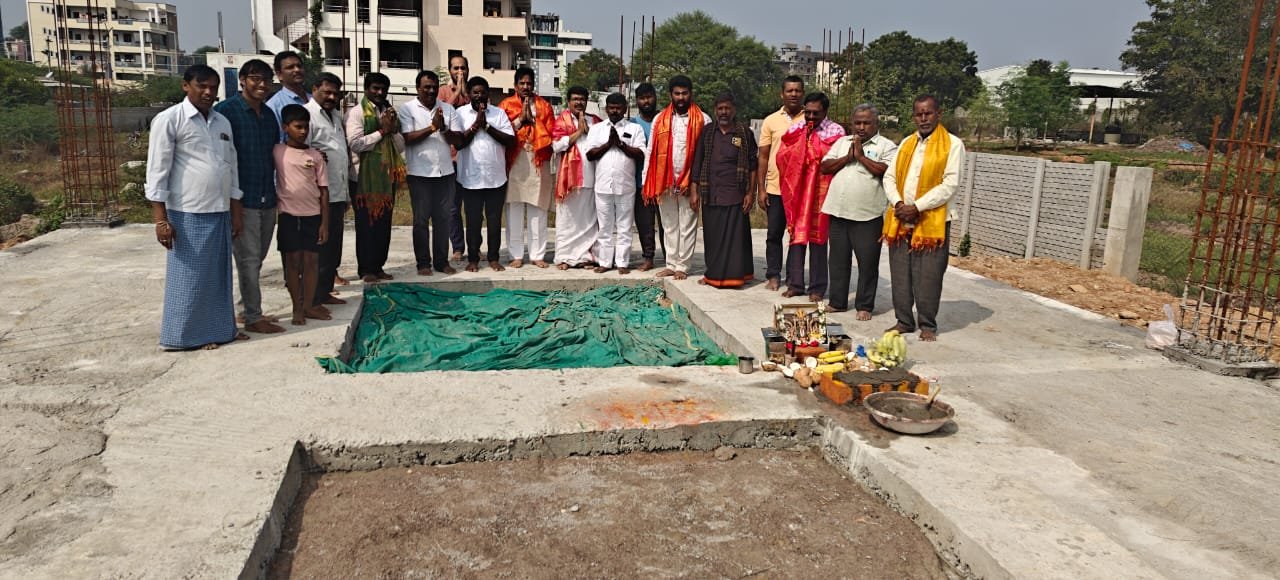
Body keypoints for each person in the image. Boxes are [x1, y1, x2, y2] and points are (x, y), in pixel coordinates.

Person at [146, 64, 248, 350]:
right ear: (185, 86)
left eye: (213, 87)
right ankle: (184, 337)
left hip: (220, 210)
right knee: (189, 277)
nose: (208, 92)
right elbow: (157, 170)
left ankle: (220, 331)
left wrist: (236, 210)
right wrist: (160, 219)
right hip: (187, 211)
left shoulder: (221, 122)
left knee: (217, 276)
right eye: (202, 86)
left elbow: (231, 166)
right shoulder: (170, 119)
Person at [882, 95, 966, 342]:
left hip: (932, 220)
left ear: (939, 114)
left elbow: (950, 184)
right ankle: (903, 321)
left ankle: (927, 324)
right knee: (900, 273)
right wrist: (899, 204)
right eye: (919, 114)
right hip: (901, 218)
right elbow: (889, 177)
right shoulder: (907, 143)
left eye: (928, 113)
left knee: (929, 274)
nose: (923, 118)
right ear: (913, 117)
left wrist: (917, 207)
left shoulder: (953, 145)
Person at [213, 59, 284, 335]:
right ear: (242, 80)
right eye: (255, 78)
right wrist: (233, 204)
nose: (262, 84)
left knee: (257, 257)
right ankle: (254, 316)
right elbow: (221, 160)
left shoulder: (268, 115)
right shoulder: (225, 112)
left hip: (267, 196)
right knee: (249, 259)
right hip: (241, 199)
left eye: (266, 79)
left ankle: (245, 309)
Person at [821, 104, 897, 319]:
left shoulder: (887, 146)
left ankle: (864, 306)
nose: (861, 127)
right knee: (837, 261)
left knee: (867, 263)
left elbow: (886, 171)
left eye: (866, 123)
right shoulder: (842, 142)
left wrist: (861, 157)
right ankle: (837, 302)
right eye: (857, 123)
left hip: (867, 216)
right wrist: (848, 157)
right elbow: (824, 167)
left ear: (876, 123)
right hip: (838, 211)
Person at [777, 92, 846, 302]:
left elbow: (836, 160)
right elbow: (783, 155)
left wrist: (812, 148)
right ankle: (795, 284)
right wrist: (800, 148)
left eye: (816, 113)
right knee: (796, 237)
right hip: (799, 191)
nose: (811, 117)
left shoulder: (836, 132)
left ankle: (817, 288)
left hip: (821, 192)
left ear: (825, 112)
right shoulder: (797, 128)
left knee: (818, 239)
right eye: (808, 113)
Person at [642, 75, 710, 280]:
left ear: (691, 94)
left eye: (684, 93)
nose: (681, 97)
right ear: (671, 94)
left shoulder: (703, 119)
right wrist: (646, 181)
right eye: (677, 93)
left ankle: (683, 266)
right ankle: (671, 263)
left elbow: (706, 155)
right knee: (669, 224)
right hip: (664, 181)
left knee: (687, 224)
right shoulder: (660, 119)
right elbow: (650, 150)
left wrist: (698, 183)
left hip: (691, 181)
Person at [688, 93, 758, 288]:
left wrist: (750, 193)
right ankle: (712, 275)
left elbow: (753, 166)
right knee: (712, 238)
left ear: (734, 110)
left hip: (736, 194)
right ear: (715, 110)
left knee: (735, 240)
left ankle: (735, 278)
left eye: (727, 108)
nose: (724, 112)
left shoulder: (744, 133)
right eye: (720, 109)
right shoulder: (707, 132)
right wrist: (694, 191)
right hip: (711, 193)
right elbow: (698, 162)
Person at [451, 76, 516, 272]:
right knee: (473, 222)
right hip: (470, 179)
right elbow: (459, 143)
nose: (479, 96)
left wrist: (487, 126)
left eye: (483, 92)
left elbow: (510, 140)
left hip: (495, 178)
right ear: (469, 94)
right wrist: (475, 126)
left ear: (488, 94)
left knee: (494, 221)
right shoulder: (460, 114)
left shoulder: (498, 113)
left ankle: (494, 258)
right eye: (475, 92)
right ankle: (473, 259)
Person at [398, 69, 459, 276]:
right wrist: (432, 128)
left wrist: (443, 129)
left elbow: (458, 140)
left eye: (434, 87)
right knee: (421, 221)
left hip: (445, 173)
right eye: (427, 88)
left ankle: (441, 262)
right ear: (418, 88)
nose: (431, 91)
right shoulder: (407, 109)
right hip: (419, 174)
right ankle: (423, 263)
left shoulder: (447, 109)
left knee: (443, 220)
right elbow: (407, 138)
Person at [345, 72, 405, 283]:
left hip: (386, 178)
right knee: (366, 225)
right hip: (363, 179)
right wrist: (381, 132)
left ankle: (379, 266)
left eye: (383, 89)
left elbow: (400, 146)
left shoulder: (389, 112)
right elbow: (355, 144)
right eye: (375, 88)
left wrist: (393, 130)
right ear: (366, 89)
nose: (380, 93)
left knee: (383, 225)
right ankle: (366, 269)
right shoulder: (356, 113)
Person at [274, 104, 331, 325]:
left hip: (313, 216)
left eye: (306, 127)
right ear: (285, 127)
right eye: (298, 127)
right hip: (289, 216)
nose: (303, 131)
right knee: (292, 263)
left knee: (311, 262)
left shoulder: (315, 155)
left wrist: (324, 223)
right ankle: (296, 307)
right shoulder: (277, 151)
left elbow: (324, 191)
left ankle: (308, 306)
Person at [498, 67, 555, 268]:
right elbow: (501, 131)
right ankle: (516, 254)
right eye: (521, 83)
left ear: (533, 85)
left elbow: (551, 132)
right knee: (513, 208)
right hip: (514, 160)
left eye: (529, 83)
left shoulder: (544, 106)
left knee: (538, 208)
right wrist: (520, 120)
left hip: (538, 159)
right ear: (515, 85)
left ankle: (537, 254)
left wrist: (535, 121)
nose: (525, 86)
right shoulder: (506, 105)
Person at [585, 92, 647, 274]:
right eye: (611, 108)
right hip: (603, 186)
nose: (614, 111)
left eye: (618, 108)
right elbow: (590, 155)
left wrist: (621, 145)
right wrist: (608, 145)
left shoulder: (634, 129)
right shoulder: (597, 129)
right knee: (604, 227)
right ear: (606, 109)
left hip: (625, 186)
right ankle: (605, 262)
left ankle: (622, 263)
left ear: (625, 109)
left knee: (624, 227)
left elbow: (641, 154)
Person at [304, 73, 351, 307]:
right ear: (314, 89)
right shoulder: (307, 115)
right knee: (318, 248)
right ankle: (312, 299)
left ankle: (324, 292)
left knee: (332, 247)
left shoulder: (336, 116)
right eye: (327, 92)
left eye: (336, 93)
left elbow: (341, 154)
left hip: (337, 191)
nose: (332, 97)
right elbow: (300, 152)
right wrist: (313, 156)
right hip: (318, 195)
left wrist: (346, 194)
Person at [756, 75, 806, 291]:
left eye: (797, 90)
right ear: (782, 94)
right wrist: (761, 189)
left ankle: (795, 278)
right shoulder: (771, 121)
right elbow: (763, 157)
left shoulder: (810, 118)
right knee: (774, 234)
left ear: (802, 93)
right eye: (789, 90)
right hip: (776, 188)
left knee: (798, 236)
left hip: (802, 190)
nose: (793, 94)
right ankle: (773, 275)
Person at [551, 86, 602, 270]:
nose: (579, 102)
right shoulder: (562, 120)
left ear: (587, 101)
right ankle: (564, 257)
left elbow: (603, 144)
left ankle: (586, 256)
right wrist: (579, 132)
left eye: (582, 99)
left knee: (589, 221)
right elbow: (556, 146)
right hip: (569, 181)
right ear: (569, 101)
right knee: (567, 220)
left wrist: (589, 131)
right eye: (575, 99)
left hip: (592, 178)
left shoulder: (595, 121)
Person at [438, 54, 470, 260]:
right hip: (450, 159)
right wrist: (456, 92)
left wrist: (465, 93)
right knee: (452, 207)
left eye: (463, 68)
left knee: (473, 207)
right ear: (450, 70)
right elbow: (439, 114)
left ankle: (475, 246)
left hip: (470, 158)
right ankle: (458, 247)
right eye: (456, 68)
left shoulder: (473, 91)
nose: (460, 72)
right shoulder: (442, 91)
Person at [631, 82, 660, 271]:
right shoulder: (632, 124)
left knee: (667, 224)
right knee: (645, 223)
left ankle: (671, 258)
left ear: (655, 98)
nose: (646, 101)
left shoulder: (664, 120)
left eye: (649, 97)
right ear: (637, 101)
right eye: (642, 98)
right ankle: (648, 257)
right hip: (640, 182)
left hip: (663, 183)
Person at [266, 51, 309, 143]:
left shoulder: (313, 99)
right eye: (290, 67)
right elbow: (278, 141)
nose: (297, 70)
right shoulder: (273, 106)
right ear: (279, 75)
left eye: (299, 66)